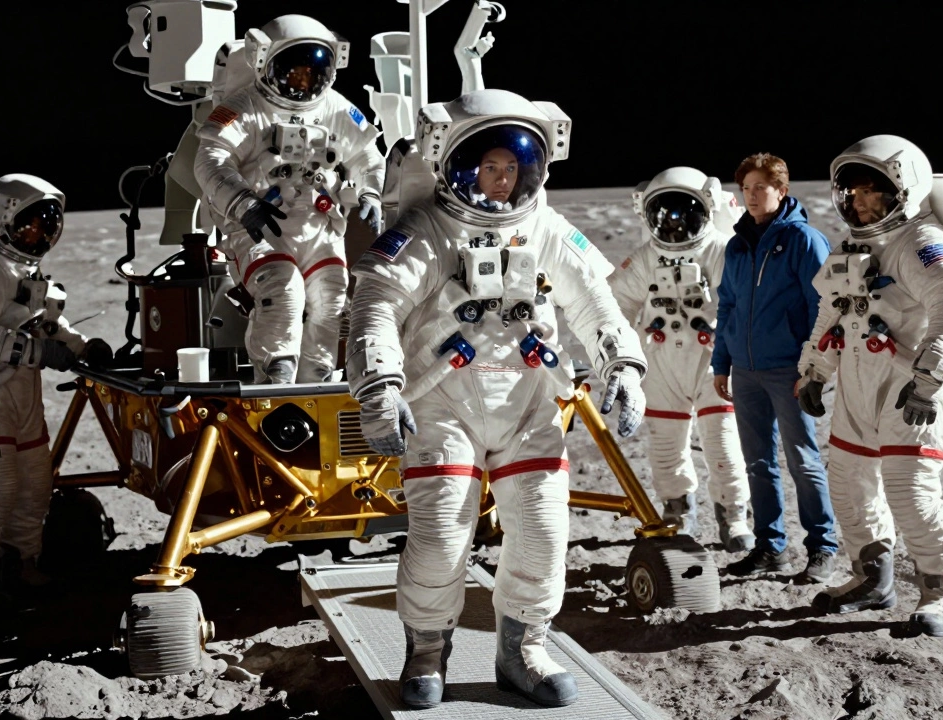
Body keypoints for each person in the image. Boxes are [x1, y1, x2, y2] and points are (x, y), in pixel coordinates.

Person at [345, 89, 647, 709]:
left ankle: (523, 650)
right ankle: (427, 651)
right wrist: (379, 383)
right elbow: (375, 307)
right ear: (459, 166)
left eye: (513, 168)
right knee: (439, 537)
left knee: (541, 531)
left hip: (528, 403)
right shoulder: (425, 230)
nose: (503, 181)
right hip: (442, 403)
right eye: (490, 167)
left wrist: (623, 364)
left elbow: (595, 300)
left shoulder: (543, 226)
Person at [798, 135, 943, 636]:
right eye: (852, 192)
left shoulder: (920, 244)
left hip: (905, 386)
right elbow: (832, 314)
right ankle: (870, 577)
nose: (859, 202)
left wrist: (929, 381)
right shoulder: (851, 246)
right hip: (857, 381)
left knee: (909, 491)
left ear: (902, 190)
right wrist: (814, 371)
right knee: (849, 485)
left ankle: (942, 589)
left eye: (872, 192)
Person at [0, 174, 112, 611]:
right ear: (3, 220)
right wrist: (36, 351)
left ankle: (19, 562)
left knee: (36, 481)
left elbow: (44, 320)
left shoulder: (20, 266)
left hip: (19, 388)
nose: (40, 234)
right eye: (31, 225)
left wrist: (80, 346)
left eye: (46, 226)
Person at [193, 14, 385, 384]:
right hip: (262, 225)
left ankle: (316, 374)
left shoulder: (333, 107)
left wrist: (370, 192)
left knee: (330, 299)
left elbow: (366, 155)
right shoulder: (244, 107)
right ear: (267, 62)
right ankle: (276, 369)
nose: (304, 83)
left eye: (312, 75)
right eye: (294, 73)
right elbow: (211, 158)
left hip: (318, 225)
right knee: (283, 290)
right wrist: (242, 202)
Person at [609, 167, 753, 551]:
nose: (673, 222)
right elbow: (614, 306)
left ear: (705, 208)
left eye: (683, 212)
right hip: (661, 364)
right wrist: (618, 354)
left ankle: (734, 515)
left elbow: (739, 307)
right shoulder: (645, 258)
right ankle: (677, 510)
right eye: (664, 212)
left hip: (712, 363)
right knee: (665, 445)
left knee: (722, 444)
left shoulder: (720, 251)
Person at [711, 153, 839, 583]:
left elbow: (822, 306)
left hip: (789, 369)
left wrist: (812, 368)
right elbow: (727, 305)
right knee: (758, 462)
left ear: (781, 191)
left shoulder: (803, 241)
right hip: (745, 371)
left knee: (803, 460)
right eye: (745, 188)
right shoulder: (737, 244)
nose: (750, 195)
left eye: (760, 187)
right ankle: (770, 548)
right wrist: (721, 363)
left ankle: (822, 547)